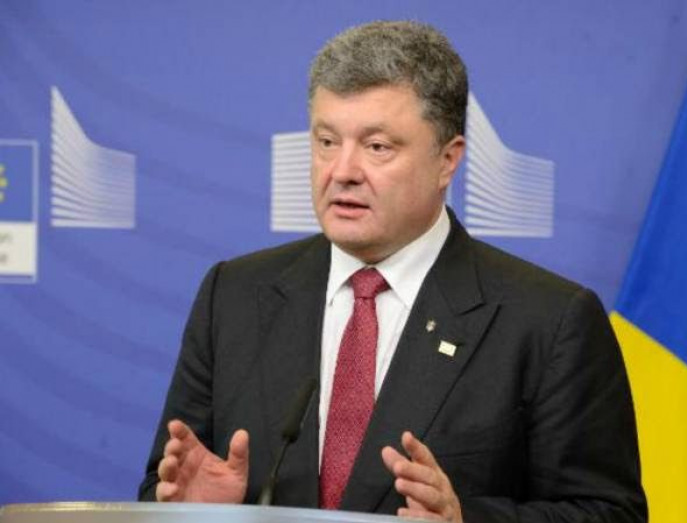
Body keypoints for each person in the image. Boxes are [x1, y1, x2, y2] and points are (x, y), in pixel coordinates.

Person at [138, 21, 647, 523]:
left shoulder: (548, 320)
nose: (342, 171)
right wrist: (198, 513)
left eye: (377, 146)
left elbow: (609, 513)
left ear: (447, 160)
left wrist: (464, 519)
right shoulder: (234, 295)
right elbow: (164, 488)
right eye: (326, 141)